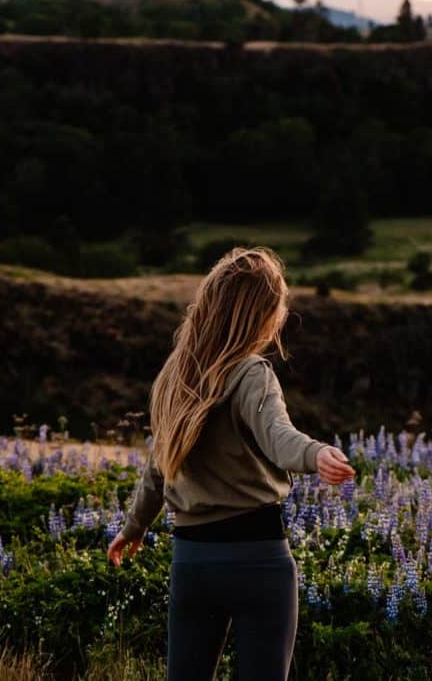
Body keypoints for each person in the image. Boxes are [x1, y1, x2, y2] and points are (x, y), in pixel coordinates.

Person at [105, 246, 355, 681]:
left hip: (193, 564)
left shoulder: (175, 375)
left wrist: (135, 527)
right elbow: (279, 438)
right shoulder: (251, 373)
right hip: (258, 561)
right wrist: (316, 454)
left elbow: (158, 464)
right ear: (262, 314)